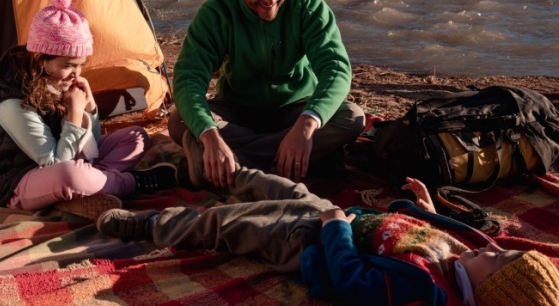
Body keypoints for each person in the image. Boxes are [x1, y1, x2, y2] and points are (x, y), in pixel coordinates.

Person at [97, 149, 559, 305]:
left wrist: (335, 228)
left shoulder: (427, 290)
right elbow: (429, 231)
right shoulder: (464, 258)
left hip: (313, 239)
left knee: (228, 223)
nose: (494, 250)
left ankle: (147, 226)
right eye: (506, 251)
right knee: (269, 182)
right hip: (339, 216)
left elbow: (353, 282)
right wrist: (421, 206)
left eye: (499, 263)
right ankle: (210, 173)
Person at [167, 0, 365, 188]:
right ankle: (298, 162)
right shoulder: (216, 12)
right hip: (237, 111)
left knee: (351, 117)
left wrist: (306, 125)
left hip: (295, 110)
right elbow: (188, 79)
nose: (271, 0)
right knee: (180, 120)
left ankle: (224, 168)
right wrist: (211, 137)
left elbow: (336, 70)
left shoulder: (307, 4)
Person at [0, 0, 177, 217]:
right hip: (18, 181)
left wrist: (90, 110)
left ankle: (85, 189)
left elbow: (90, 149)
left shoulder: (56, 82)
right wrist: (74, 113)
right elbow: (55, 163)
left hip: (66, 161)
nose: (76, 74)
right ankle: (129, 183)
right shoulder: (11, 101)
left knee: (136, 136)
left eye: (81, 65)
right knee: (70, 175)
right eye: (68, 65)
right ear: (39, 59)